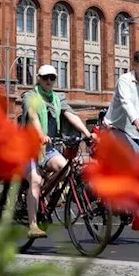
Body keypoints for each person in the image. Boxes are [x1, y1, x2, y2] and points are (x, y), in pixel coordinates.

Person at [21, 64, 93, 239]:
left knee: (66, 168)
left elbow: (71, 115)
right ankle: (32, 225)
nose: (48, 81)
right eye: (45, 77)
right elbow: (32, 115)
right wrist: (41, 134)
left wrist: (87, 133)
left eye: (52, 78)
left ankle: (47, 196)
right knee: (36, 181)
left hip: (48, 148)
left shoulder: (57, 98)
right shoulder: (30, 96)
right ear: (38, 78)